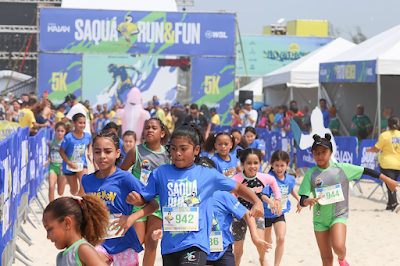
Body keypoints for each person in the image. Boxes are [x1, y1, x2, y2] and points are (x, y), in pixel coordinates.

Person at [126, 125, 265, 266]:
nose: (177, 153)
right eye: (173, 148)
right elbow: (148, 200)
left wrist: (256, 201)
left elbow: (238, 187)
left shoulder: (206, 174)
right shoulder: (160, 173)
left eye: (183, 149)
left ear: (196, 150)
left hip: (195, 242)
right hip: (169, 246)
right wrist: (137, 201)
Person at [298, 134, 398, 266]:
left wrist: (388, 180)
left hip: (338, 215)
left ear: (330, 153)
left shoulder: (341, 169)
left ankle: (342, 260)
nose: (320, 155)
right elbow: (302, 200)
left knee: (339, 247)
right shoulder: (310, 174)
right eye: (316, 152)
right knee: (326, 259)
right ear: (312, 154)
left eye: (324, 152)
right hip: (319, 220)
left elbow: (366, 171)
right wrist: (308, 201)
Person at [80, 131, 159, 266]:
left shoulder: (125, 178)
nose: (102, 156)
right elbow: (81, 208)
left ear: (117, 153)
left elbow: (153, 204)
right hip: (99, 242)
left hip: (124, 243)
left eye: (107, 151)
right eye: (97, 152)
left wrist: (130, 219)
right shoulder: (86, 181)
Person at [120, 118, 170, 266]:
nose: (149, 130)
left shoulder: (168, 154)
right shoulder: (136, 151)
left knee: (152, 243)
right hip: (138, 202)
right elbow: (120, 174)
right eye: (147, 127)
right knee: (137, 241)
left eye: (154, 128)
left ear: (162, 133)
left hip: (158, 204)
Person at [232, 148, 282, 266]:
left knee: (260, 243)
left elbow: (273, 181)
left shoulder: (263, 177)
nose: (252, 166)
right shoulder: (236, 179)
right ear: (242, 164)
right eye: (249, 163)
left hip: (257, 213)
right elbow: (232, 195)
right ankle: (236, 263)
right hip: (239, 216)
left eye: (256, 163)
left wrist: (278, 199)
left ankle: (262, 258)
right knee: (238, 251)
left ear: (260, 163)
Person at [43, 195, 110, 266]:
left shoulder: (82, 250)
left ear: (67, 223)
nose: (48, 237)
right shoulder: (60, 257)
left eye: (49, 229)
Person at [262, 150, 302, 266]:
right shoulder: (268, 178)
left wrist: (299, 199)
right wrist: (271, 202)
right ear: (272, 164)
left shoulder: (290, 178)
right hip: (266, 215)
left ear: (287, 164)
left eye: (282, 165)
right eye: (276, 165)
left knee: (281, 239)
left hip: (279, 214)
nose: (279, 168)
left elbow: (291, 189)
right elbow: (262, 195)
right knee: (266, 242)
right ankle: (263, 259)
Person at [366, 116, 400, 212]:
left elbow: (376, 148)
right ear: (398, 125)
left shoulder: (384, 135)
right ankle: (389, 205)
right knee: (391, 182)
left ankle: (394, 204)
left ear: (388, 125)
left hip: (386, 163)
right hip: (398, 164)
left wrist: (369, 150)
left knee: (390, 183)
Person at [60, 113, 92, 196]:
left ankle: (79, 204)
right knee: (74, 190)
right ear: (74, 123)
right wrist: (69, 163)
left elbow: (90, 143)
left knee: (84, 186)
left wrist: (89, 152)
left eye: (84, 123)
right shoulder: (68, 137)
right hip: (69, 166)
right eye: (80, 123)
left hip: (82, 164)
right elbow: (61, 151)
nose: (82, 125)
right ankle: (75, 198)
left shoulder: (87, 136)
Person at [44, 122, 68, 202]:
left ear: (65, 132)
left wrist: (64, 165)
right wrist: (48, 160)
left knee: (60, 192)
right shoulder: (50, 143)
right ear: (55, 131)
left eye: (62, 131)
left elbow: (69, 157)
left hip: (63, 169)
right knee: (51, 187)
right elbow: (49, 154)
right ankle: (51, 207)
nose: (59, 133)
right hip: (53, 167)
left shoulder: (67, 143)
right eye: (58, 131)